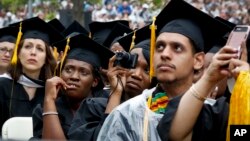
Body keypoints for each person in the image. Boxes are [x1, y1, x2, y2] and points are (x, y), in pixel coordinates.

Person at [97, 0, 232, 140]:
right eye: (160, 47)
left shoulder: (217, 114)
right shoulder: (126, 114)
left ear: (198, 61)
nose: (165, 54)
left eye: (177, 48)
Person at [67, 25, 155, 141]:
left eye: (147, 70)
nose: (136, 74)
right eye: (133, 65)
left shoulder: (158, 115)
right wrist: (116, 93)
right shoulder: (94, 107)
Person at [31, 33, 114, 140]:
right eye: (68, 70)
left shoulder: (106, 106)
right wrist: (49, 100)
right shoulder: (43, 109)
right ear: (60, 74)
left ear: (95, 81)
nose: (74, 77)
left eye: (84, 72)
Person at [0, 17, 64, 134]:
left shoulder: (53, 90)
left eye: (40, 49)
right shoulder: (2, 85)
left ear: (46, 58)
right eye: (28, 46)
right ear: (18, 54)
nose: (33, 52)